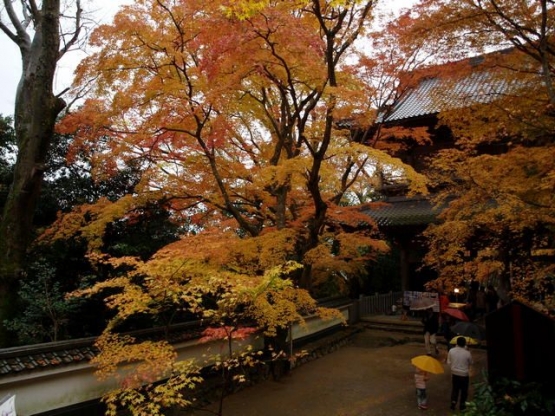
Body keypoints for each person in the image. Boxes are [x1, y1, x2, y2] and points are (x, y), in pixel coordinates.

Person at [447, 336, 473, 412]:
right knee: (464, 390)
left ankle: (453, 402)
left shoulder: (451, 351)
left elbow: (448, 362)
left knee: (455, 388)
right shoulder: (467, 353)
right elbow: (471, 362)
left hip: (454, 373)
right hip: (464, 374)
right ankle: (462, 405)